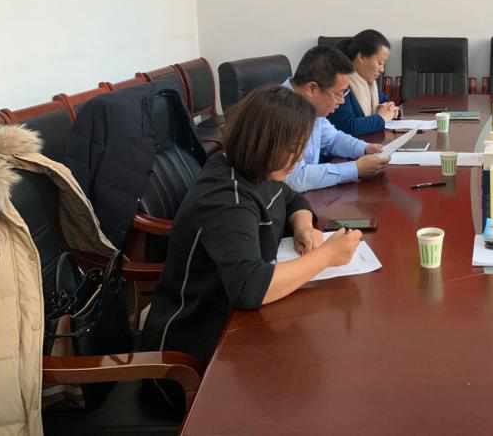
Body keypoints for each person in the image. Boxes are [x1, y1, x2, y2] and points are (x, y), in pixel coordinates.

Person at [142, 86, 363, 409]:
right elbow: (250, 288)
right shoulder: (227, 199)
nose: (300, 159)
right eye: (293, 149)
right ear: (262, 143)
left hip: (235, 330)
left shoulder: (256, 169)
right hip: (191, 362)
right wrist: (326, 256)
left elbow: (291, 197)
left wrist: (302, 225)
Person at [283, 46, 389, 192]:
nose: (342, 101)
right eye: (338, 94)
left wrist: (365, 148)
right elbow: (295, 179)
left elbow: (333, 139)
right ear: (312, 89)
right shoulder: (280, 112)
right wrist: (355, 169)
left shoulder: (309, 106)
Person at [328, 29, 399, 136]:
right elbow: (348, 127)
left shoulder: (368, 83)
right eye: (380, 63)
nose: (382, 70)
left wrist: (392, 109)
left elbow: (386, 102)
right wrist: (381, 118)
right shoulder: (340, 82)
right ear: (361, 57)